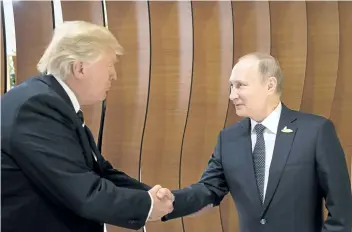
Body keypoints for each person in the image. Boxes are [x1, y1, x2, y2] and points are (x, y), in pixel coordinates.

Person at [1, 21, 174, 232]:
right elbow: (85, 192)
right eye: (110, 65)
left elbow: (100, 172)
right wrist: (148, 206)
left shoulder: (51, 101)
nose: (114, 75)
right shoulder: (38, 108)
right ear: (79, 68)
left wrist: (154, 197)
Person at [161, 52, 352, 232]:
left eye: (240, 85)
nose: (232, 95)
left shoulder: (315, 131)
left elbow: (342, 209)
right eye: (231, 86)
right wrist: (170, 201)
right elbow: (208, 189)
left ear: (270, 85)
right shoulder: (228, 139)